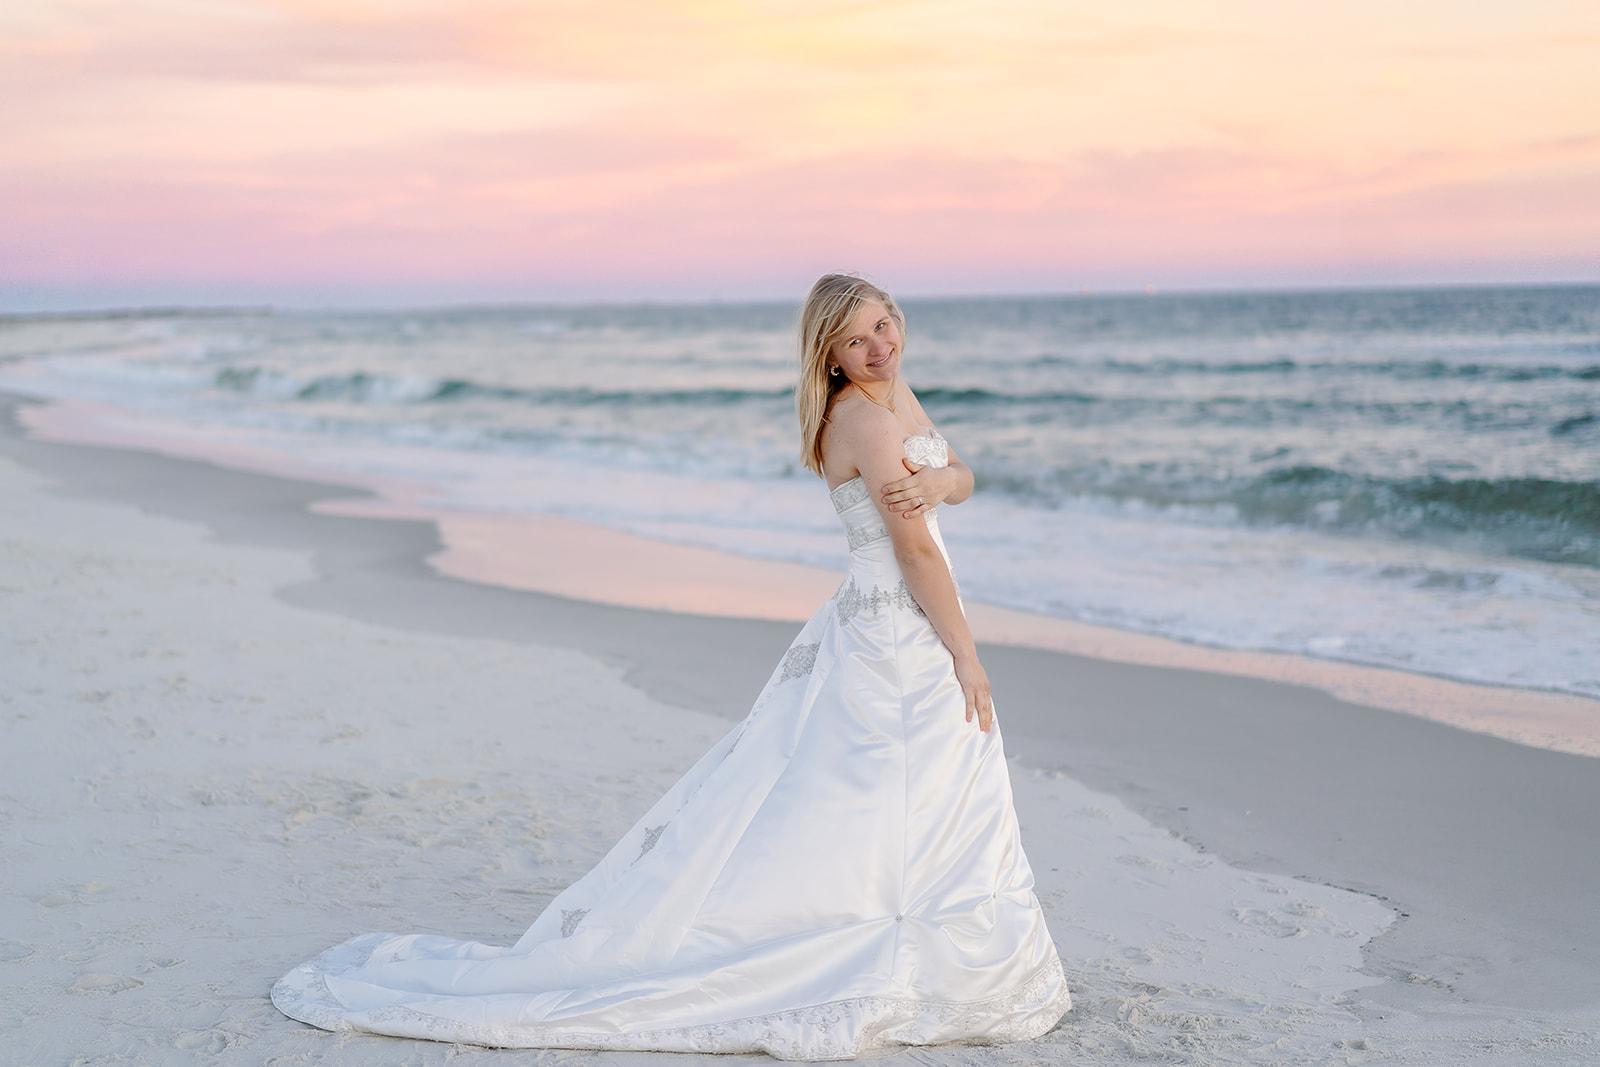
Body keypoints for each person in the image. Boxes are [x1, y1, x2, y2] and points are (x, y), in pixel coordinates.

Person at [271, 274, 1071, 1060]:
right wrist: (966, 652)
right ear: (827, 355)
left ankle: (894, 927)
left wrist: (939, 478)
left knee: (880, 781)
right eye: (855, 339)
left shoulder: (895, 397)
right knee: (897, 777)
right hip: (900, 625)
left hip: (884, 617)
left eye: (883, 326)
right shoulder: (861, 418)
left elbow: (959, 478)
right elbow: (917, 549)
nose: (878, 346)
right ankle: (862, 940)